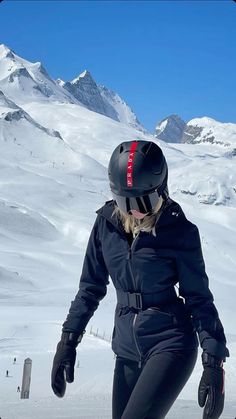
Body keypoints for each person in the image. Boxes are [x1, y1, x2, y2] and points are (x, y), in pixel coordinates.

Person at [51, 140, 229, 419]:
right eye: (125, 201)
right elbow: (89, 289)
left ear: (161, 190)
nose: (135, 210)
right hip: (126, 348)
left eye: (144, 201)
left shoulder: (179, 231)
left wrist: (213, 361)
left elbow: (199, 300)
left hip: (170, 344)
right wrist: (68, 342)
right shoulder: (105, 225)